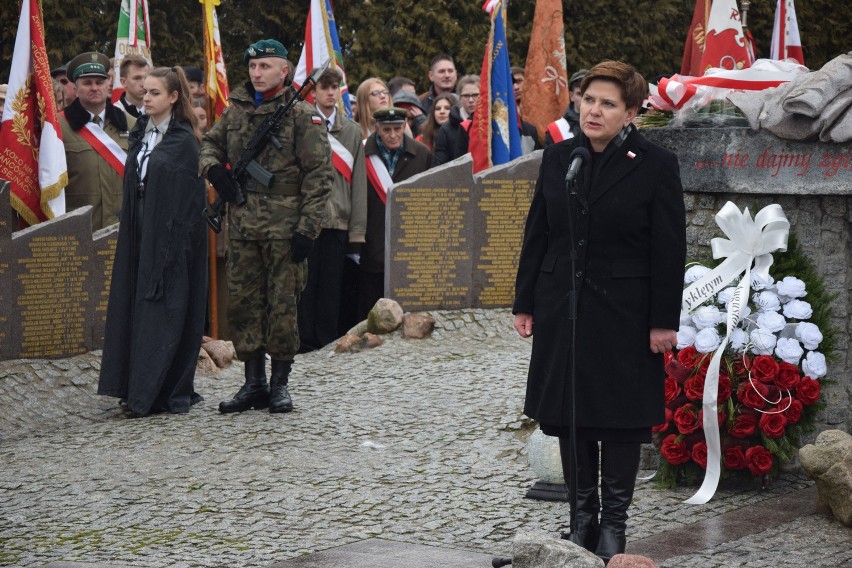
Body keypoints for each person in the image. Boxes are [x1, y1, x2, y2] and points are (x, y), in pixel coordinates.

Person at [512, 60, 686, 565]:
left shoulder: (654, 163)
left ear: (632, 111)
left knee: (622, 420)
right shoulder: (560, 156)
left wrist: (663, 321)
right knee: (571, 415)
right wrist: (525, 301)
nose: (594, 110)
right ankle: (580, 517)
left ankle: (614, 525)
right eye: (589, 99)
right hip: (563, 304)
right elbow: (538, 231)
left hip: (626, 312)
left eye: (608, 103)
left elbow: (668, 249)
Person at [200, 39, 332, 414]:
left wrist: (308, 229)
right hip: (242, 225)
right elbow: (210, 144)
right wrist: (212, 170)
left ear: (284, 70)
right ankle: (253, 383)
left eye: (265, 66)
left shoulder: (301, 116)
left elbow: (319, 177)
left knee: (283, 307)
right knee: (243, 306)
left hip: (285, 230)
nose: (257, 73)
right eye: (253, 67)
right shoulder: (236, 110)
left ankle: (279, 385)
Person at [98, 66, 208, 417]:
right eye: (144, 92)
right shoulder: (142, 132)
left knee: (164, 309)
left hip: (172, 238)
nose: (146, 98)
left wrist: (169, 242)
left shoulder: (184, 140)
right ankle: (132, 385)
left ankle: (156, 392)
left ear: (174, 97)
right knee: (135, 303)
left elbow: (189, 199)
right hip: (141, 230)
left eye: (155, 93)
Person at [298, 66, 367, 352]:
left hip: (338, 221)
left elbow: (359, 184)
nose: (329, 92)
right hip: (306, 221)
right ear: (313, 92)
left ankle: (325, 342)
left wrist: (358, 231)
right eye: (324, 87)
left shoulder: (350, 131)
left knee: (330, 288)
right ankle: (302, 342)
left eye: (334, 87)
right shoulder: (301, 124)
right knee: (305, 287)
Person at [359, 107, 430, 317]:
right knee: (369, 301)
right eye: (387, 129)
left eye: (398, 128)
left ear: (405, 126)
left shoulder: (421, 153)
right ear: (376, 128)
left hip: (409, 238)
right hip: (372, 235)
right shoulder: (362, 152)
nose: (393, 135)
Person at [59, 51, 135, 231]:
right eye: (87, 83)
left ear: (108, 86)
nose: (94, 87)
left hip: (123, 230)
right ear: (75, 89)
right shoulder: (59, 127)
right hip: (79, 230)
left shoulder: (131, 124)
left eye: (100, 82)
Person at [432, 74, 478, 166]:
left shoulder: (491, 124)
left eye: (475, 95)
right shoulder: (446, 129)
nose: (471, 100)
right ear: (460, 98)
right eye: (466, 96)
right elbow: (440, 165)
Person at [545, 68, 588, 146]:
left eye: (588, 95)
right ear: (571, 96)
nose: (584, 99)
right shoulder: (556, 129)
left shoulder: (606, 126)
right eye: (579, 94)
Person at [415, 92, 455, 157]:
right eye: (438, 109)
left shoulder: (461, 134)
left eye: (447, 108)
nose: (442, 112)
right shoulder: (422, 139)